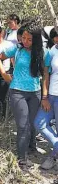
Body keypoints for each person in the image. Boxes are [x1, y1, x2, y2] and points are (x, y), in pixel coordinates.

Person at [0, 19, 46, 169]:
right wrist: (4, 74)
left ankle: (31, 147)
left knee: (33, 124)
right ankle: (22, 160)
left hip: (35, 93)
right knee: (23, 126)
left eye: (29, 39)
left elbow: (46, 74)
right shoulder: (16, 49)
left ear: (36, 40)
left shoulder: (43, 52)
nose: (25, 41)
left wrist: (44, 96)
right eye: (23, 38)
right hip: (18, 91)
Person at [34, 42, 58, 170]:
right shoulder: (52, 51)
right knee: (39, 123)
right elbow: (46, 75)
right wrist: (45, 97)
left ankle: (53, 157)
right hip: (51, 95)